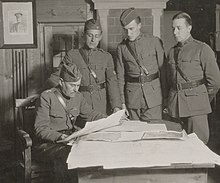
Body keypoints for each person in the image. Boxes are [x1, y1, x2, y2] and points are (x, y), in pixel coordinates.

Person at [33, 64, 106, 183]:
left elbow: (91, 114)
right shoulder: (47, 97)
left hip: (70, 140)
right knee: (67, 156)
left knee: (92, 150)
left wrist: (110, 118)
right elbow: (40, 129)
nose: (76, 89)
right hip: (48, 144)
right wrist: (60, 137)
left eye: (78, 85)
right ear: (61, 82)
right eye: (72, 85)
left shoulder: (78, 97)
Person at [46, 19, 122, 116]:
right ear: (84, 35)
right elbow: (57, 77)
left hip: (101, 104)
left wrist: (116, 106)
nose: (93, 40)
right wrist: (46, 93)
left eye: (96, 36)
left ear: (100, 37)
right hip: (80, 103)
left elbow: (112, 83)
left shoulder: (106, 57)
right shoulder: (73, 56)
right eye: (90, 35)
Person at [165, 12, 220, 144]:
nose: (175, 32)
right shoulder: (171, 52)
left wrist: (201, 99)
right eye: (173, 28)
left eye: (179, 28)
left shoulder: (202, 49)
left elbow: (215, 82)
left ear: (189, 28)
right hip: (175, 107)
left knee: (198, 146)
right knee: (176, 147)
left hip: (196, 107)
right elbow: (169, 80)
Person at [115, 7, 166, 121]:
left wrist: (166, 98)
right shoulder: (121, 48)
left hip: (154, 98)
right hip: (132, 99)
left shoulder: (154, 42)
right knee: (134, 134)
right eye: (125, 30)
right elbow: (120, 78)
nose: (128, 33)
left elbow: (164, 73)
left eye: (131, 29)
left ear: (139, 25)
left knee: (154, 134)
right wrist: (122, 103)